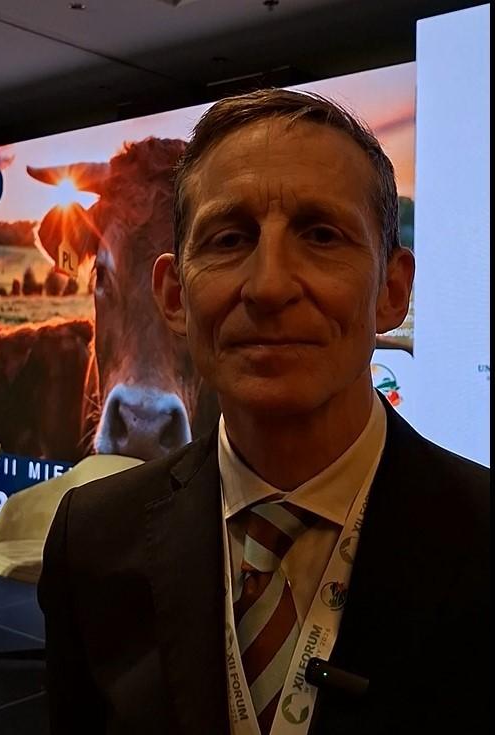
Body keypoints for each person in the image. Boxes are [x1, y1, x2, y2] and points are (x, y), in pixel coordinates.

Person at [38, 89, 489, 735]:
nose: (270, 285)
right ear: (174, 296)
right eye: (229, 239)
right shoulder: (90, 542)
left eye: (321, 235)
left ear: (392, 292)